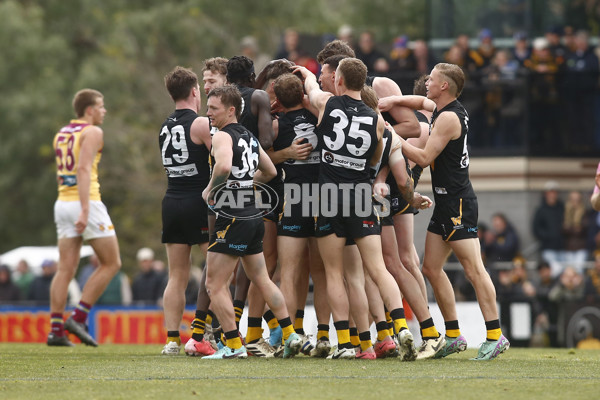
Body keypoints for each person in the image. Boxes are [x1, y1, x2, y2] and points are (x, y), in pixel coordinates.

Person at [295, 58, 435, 360]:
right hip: (362, 197)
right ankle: (402, 327)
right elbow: (376, 160)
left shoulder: (329, 104)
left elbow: (310, 88)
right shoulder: (378, 121)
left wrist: (305, 73)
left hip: (330, 196)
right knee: (379, 268)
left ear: (340, 81)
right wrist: (412, 198)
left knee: (335, 273)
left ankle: (345, 344)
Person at [379, 63, 510, 360]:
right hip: (445, 203)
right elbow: (419, 102)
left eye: (432, 79)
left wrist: (393, 137)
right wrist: (394, 101)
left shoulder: (449, 117)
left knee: (474, 269)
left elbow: (424, 156)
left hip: (458, 203)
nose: (426, 83)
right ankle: (452, 335)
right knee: (430, 268)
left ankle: (494, 335)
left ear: (445, 87)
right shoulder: (442, 107)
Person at [201, 85, 301, 359]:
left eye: (214, 108)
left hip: (232, 214)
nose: (208, 113)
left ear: (231, 110)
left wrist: (210, 189)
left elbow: (222, 167)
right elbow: (269, 170)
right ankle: (291, 334)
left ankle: (233, 345)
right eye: (208, 107)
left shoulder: (222, 136)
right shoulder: (249, 136)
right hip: (252, 211)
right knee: (262, 279)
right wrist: (246, 184)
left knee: (214, 284)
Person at [48, 88, 122, 347]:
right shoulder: (92, 132)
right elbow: (82, 168)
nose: (104, 111)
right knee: (112, 263)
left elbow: (64, 172)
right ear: (89, 110)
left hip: (62, 202)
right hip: (85, 201)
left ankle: (55, 330)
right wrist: (85, 209)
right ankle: (78, 318)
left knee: (65, 268)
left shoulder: (62, 133)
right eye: (100, 106)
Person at [158, 66, 214, 356]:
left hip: (171, 200)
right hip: (197, 201)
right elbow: (222, 156)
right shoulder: (201, 123)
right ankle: (215, 331)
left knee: (176, 275)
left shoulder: (164, 126)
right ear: (195, 92)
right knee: (216, 270)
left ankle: (171, 340)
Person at [533, 180, 565, 277]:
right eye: (550, 192)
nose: (552, 195)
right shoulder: (541, 210)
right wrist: (548, 236)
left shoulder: (561, 208)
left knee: (564, 272)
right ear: (545, 194)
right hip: (548, 248)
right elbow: (536, 228)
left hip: (562, 247)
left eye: (554, 192)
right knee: (553, 272)